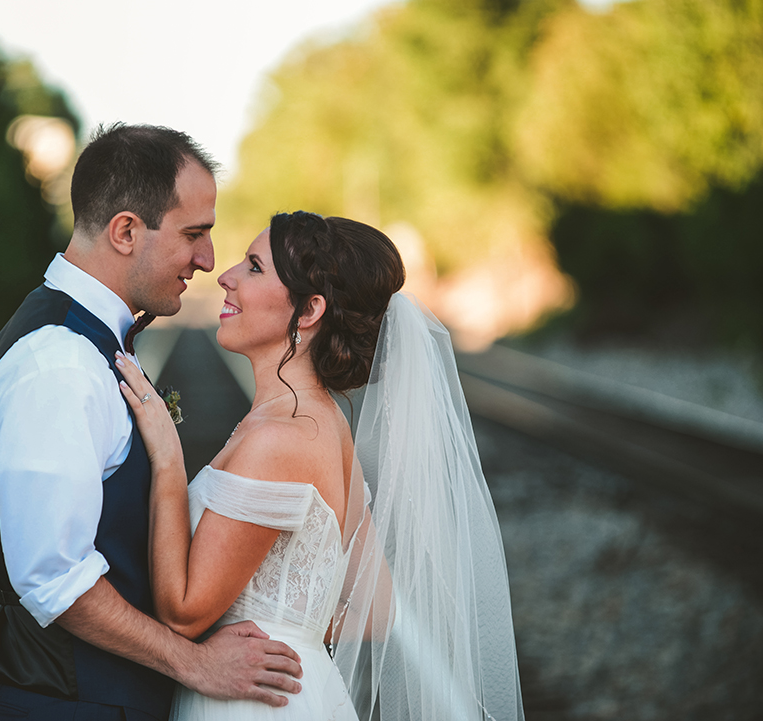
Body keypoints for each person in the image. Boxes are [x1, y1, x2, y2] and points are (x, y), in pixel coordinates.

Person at [115, 211, 526, 720]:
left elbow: (182, 615)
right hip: (298, 694)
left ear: (309, 310)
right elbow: (375, 607)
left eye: (254, 267)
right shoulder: (326, 423)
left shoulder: (279, 440)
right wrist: (292, 625)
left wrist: (168, 464)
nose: (226, 276)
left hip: (252, 701)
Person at [0, 124, 303, 721]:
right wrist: (196, 665)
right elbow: (54, 578)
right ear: (125, 231)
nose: (208, 261)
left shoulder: (88, 344)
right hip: (66, 706)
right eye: (194, 234)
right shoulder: (58, 361)